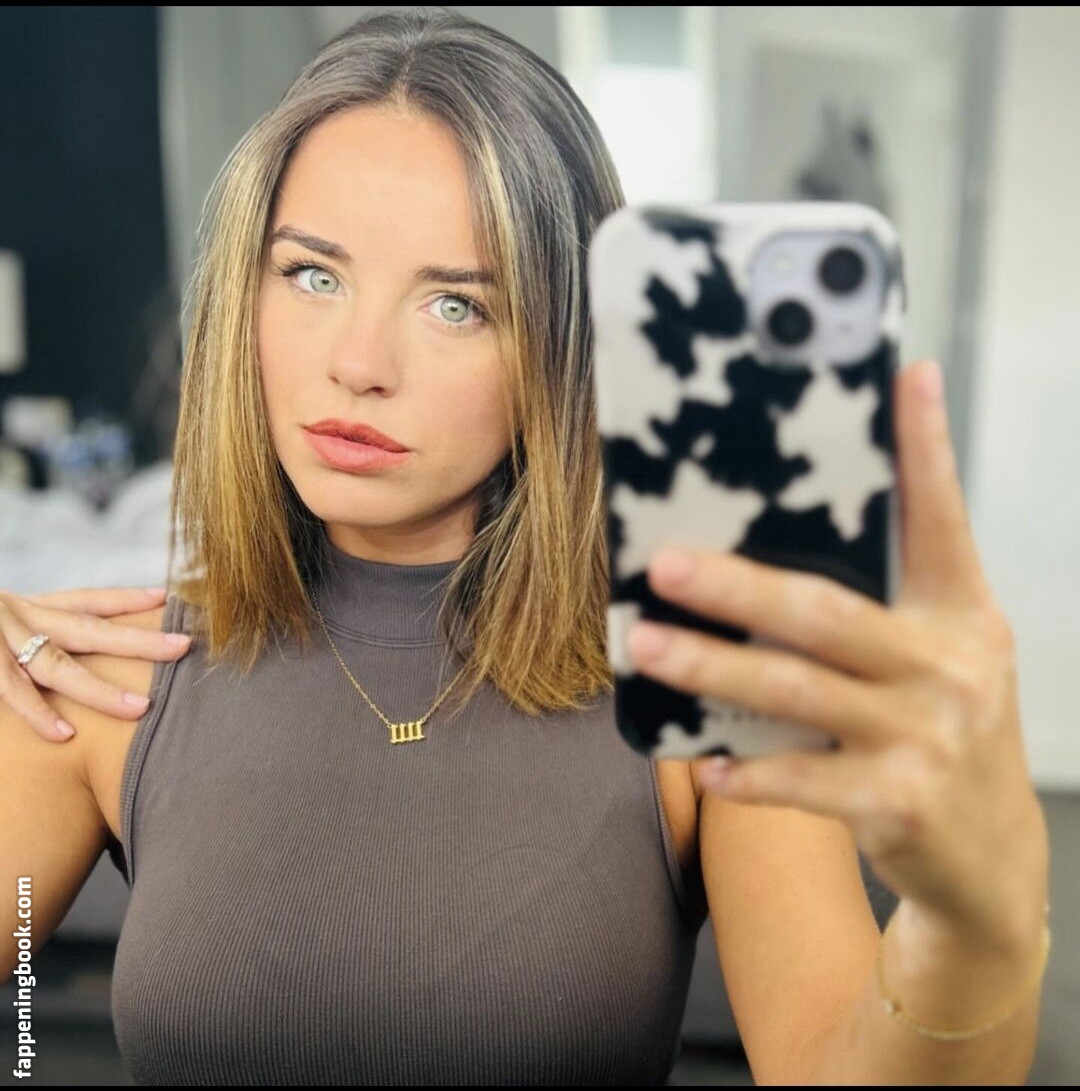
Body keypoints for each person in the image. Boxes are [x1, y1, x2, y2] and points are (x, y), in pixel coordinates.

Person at [0, 7, 1051, 1085]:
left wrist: (980, 923)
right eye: (314, 275)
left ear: (564, 349)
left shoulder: (704, 684)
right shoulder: (104, 678)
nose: (358, 362)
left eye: (457, 305)